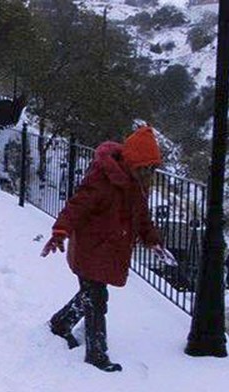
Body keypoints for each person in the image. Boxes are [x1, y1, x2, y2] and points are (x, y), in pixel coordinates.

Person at [41, 125, 168, 372]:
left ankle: (60, 324)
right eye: (146, 169)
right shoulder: (102, 179)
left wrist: (152, 241)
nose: (149, 174)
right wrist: (60, 232)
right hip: (90, 248)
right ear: (133, 163)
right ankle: (96, 354)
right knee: (96, 300)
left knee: (91, 295)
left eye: (152, 169)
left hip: (109, 251)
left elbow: (142, 218)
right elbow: (76, 206)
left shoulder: (136, 186)